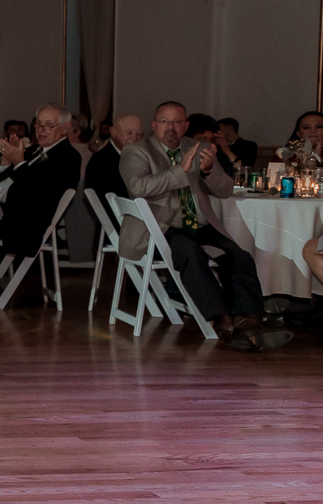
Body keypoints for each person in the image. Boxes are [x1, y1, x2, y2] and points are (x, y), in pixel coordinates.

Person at [121, 101, 290, 351]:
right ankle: (221, 320)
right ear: (154, 125)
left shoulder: (199, 148)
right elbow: (138, 188)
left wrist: (209, 170)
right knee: (190, 252)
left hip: (199, 224)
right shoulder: (136, 151)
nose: (171, 127)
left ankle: (248, 322)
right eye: (165, 121)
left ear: (186, 126)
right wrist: (181, 171)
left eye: (177, 122)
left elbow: (225, 190)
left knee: (239, 256)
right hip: (160, 227)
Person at [0, 103, 82, 258]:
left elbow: (37, 193)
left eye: (48, 125)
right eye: (38, 124)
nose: (40, 130)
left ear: (65, 127)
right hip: (0, 214)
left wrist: (19, 163)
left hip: (23, 227)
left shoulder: (68, 157)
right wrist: (6, 161)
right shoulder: (32, 151)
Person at [86, 113, 142, 201]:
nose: (134, 137)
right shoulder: (101, 162)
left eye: (139, 134)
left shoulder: (140, 158)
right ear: (113, 132)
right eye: (129, 133)